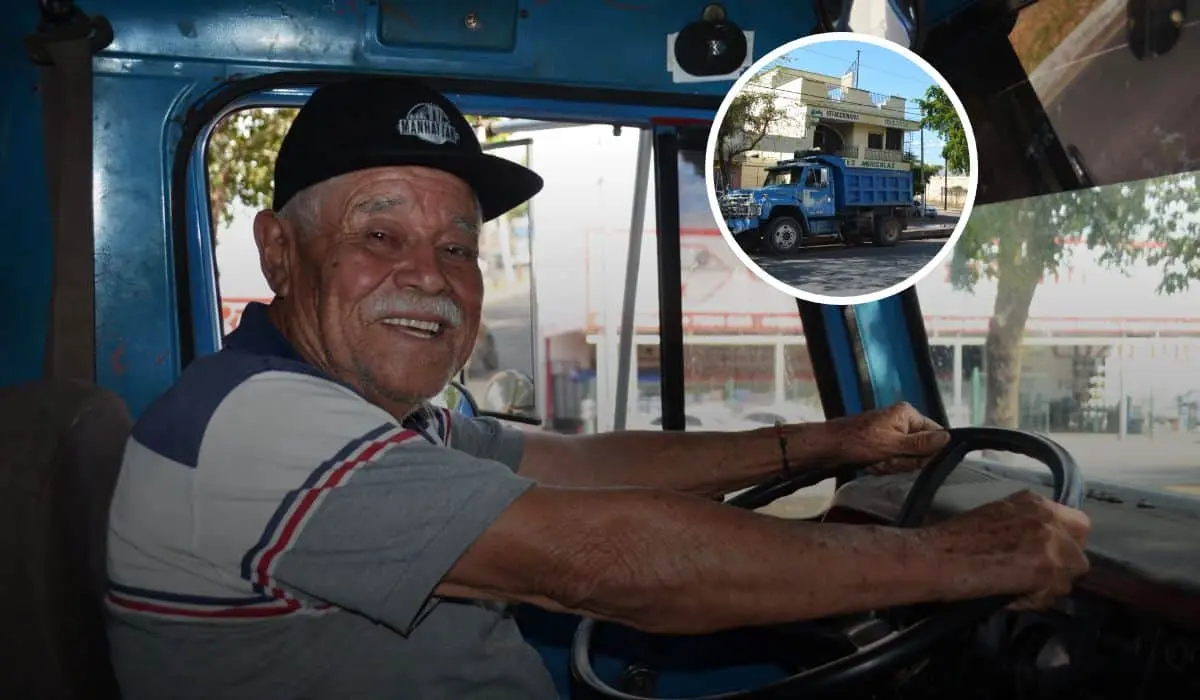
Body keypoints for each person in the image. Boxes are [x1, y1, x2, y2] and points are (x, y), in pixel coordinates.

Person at [104, 77, 1091, 700]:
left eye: (457, 246)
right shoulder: (260, 426)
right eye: (380, 234)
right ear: (279, 251)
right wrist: (954, 559)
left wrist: (838, 441)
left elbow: (579, 464)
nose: (432, 274)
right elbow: (597, 563)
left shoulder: (373, 413)